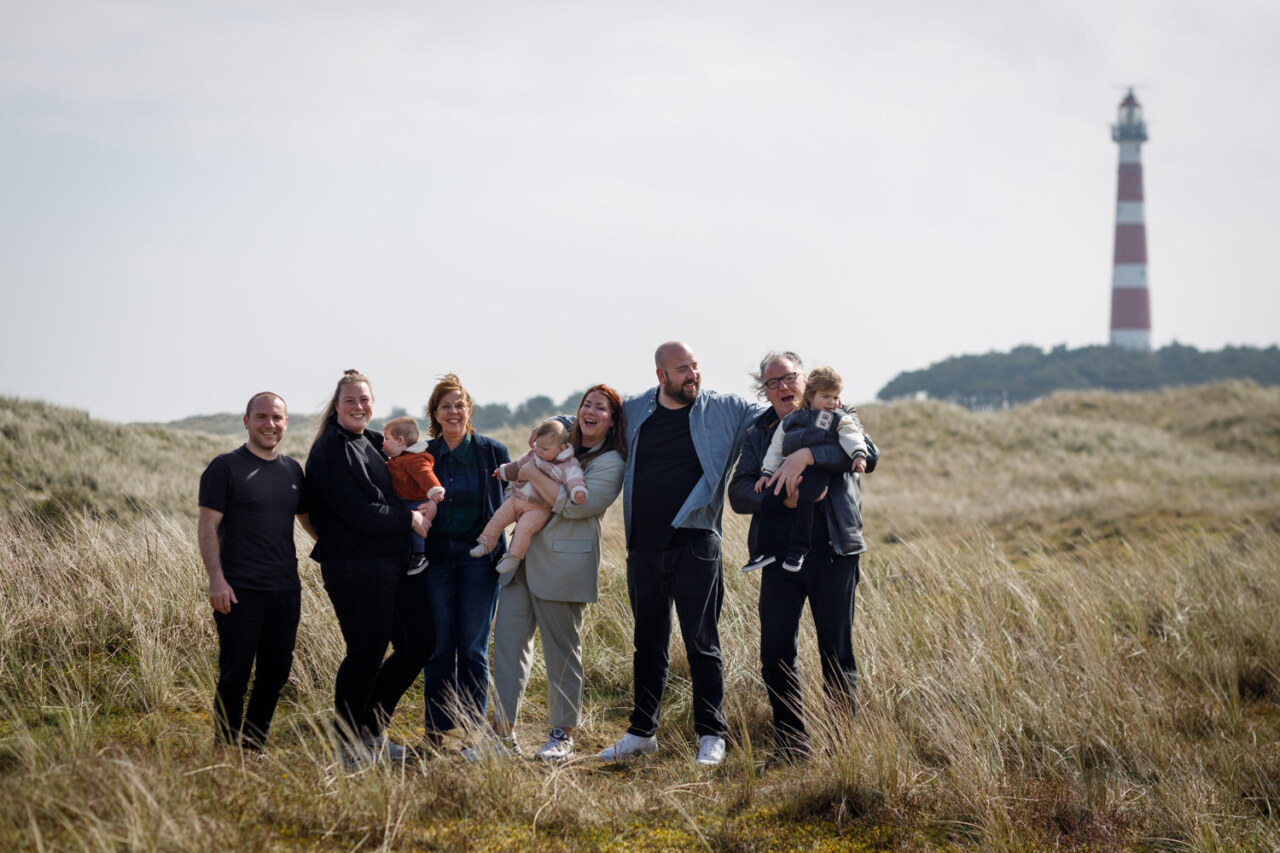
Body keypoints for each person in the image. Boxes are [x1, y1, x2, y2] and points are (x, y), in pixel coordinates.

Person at [599, 341, 775, 768]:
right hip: (643, 546)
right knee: (647, 643)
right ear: (661, 375)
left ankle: (712, 734)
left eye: (694, 366)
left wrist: (825, 412)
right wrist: (553, 425)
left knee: (702, 643)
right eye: (682, 369)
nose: (692, 375)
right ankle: (641, 733)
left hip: (696, 544)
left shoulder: (725, 409)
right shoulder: (636, 408)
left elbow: (777, 414)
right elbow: (593, 418)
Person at [728, 351, 879, 763]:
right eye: (772, 382)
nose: (782, 387)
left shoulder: (837, 411)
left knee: (836, 654)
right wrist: (783, 497)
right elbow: (739, 493)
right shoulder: (759, 432)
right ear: (764, 390)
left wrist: (808, 456)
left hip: (833, 550)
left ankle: (843, 753)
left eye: (789, 377)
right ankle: (792, 747)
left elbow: (868, 454)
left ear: (803, 381)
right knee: (775, 654)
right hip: (778, 558)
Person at [475, 385, 627, 762]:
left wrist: (529, 470)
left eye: (601, 408)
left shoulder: (611, 462)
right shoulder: (560, 438)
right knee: (507, 647)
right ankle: (501, 738)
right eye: (586, 404)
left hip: (564, 567)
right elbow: (557, 423)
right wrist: (547, 427)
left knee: (562, 653)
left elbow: (575, 506)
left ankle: (562, 736)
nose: (591, 411)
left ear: (613, 420)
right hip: (521, 560)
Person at [305, 369, 431, 768]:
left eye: (365, 400)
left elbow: (413, 456)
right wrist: (408, 518)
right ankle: (347, 747)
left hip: (391, 564)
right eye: (350, 401)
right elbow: (355, 511)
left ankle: (371, 733)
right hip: (354, 566)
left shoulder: (375, 441)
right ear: (337, 406)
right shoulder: (331, 448)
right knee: (365, 652)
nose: (359, 407)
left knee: (418, 643)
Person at [198, 391, 313, 755]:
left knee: (275, 673)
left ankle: (252, 748)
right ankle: (225, 749)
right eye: (261, 417)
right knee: (235, 675)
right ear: (246, 421)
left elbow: (308, 522)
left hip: (286, 590)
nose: (269, 424)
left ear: (286, 423)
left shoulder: (293, 470)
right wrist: (216, 579)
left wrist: (344, 551)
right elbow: (207, 525)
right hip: (238, 590)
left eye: (277, 418)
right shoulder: (225, 467)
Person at [420, 373, 512, 748]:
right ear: (436, 414)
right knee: (440, 645)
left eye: (459, 405)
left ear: (469, 410)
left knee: (473, 647)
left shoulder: (493, 452)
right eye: (446, 406)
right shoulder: (424, 454)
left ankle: (473, 731)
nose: (453, 411)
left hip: (480, 560)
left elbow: (514, 499)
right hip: (437, 560)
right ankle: (436, 730)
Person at [744, 366, 867, 573]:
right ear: (810, 395)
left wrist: (859, 454)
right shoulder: (792, 419)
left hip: (818, 471)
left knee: (805, 500)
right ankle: (763, 551)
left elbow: (852, 436)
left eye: (836, 397)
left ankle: (799, 550)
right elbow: (776, 447)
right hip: (787, 471)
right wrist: (766, 473)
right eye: (826, 396)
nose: (832, 402)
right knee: (769, 500)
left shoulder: (839, 417)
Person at [469, 419, 588, 576]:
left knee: (524, 528)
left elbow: (575, 479)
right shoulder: (534, 454)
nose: (538, 450)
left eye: (544, 449)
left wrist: (578, 491)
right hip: (518, 498)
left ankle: (513, 556)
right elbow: (518, 465)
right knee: (498, 517)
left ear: (562, 449)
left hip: (539, 508)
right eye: (537, 445)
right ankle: (486, 542)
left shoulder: (568, 464)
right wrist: (504, 471)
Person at [382, 415, 445, 576]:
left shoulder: (414, 459)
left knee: (417, 528)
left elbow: (425, 473)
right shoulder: (399, 458)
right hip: (402, 500)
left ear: (400, 441)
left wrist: (435, 490)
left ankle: (419, 555)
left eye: (386, 438)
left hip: (414, 501)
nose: (383, 442)